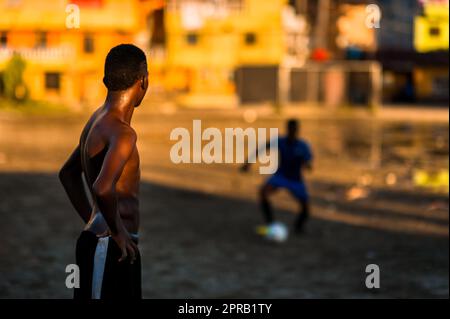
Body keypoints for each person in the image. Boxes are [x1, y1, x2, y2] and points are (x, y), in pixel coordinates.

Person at [59, 44, 148, 299]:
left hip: (107, 242)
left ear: (105, 81)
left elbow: (68, 174)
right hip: (111, 247)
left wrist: (93, 222)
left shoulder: (97, 120)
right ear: (143, 81)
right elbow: (102, 186)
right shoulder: (123, 133)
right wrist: (116, 231)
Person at [241, 119, 313, 234]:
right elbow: (263, 147)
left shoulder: (303, 146)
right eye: (290, 129)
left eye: (294, 129)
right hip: (281, 176)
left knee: (305, 207)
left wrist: (306, 164)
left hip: (295, 179)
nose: (292, 131)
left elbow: (309, 163)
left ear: (297, 130)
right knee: (263, 192)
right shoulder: (281, 141)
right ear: (287, 129)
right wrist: (248, 162)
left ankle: (299, 227)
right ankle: (270, 223)